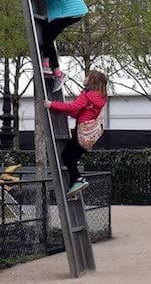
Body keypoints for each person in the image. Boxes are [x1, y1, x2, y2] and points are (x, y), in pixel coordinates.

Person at [20, 0, 88, 90]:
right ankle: (46, 65)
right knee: (47, 34)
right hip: (74, 12)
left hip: (70, 13)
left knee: (47, 35)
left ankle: (57, 73)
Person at [46, 69, 108, 198]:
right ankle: (73, 189)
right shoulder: (100, 97)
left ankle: (78, 180)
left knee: (66, 157)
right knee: (72, 159)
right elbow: (78, 111)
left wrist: (52, 104)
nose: (84, 78)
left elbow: (73, 107)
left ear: (91, 80)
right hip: (91, 135)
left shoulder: (87, 95)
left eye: (87, 76)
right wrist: (63, 110)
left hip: (81, 131)